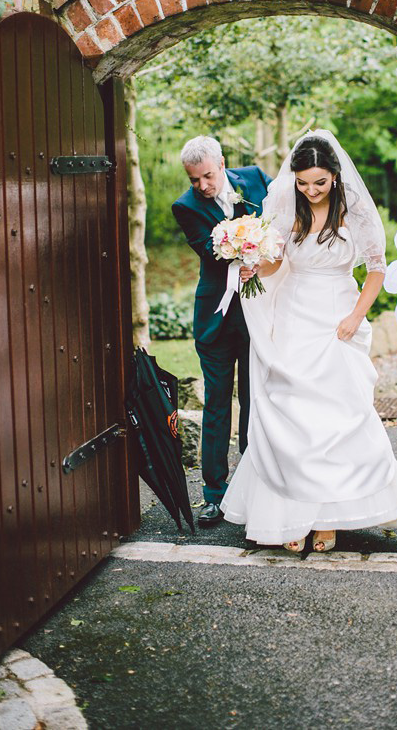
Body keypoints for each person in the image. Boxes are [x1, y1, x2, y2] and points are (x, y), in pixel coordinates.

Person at [220, 129, 397, 552]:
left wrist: (356, 316)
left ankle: (330, 517)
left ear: (334, 175)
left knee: (337, 417)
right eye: (302, 182)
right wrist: (251, 264)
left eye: (318, 182)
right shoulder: (288, 210)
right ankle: (291, 516)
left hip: (337, 315)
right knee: (291, 414)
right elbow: (278, 262)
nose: (310, 190)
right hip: (294, 317)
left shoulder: (357, 215)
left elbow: (376, 270)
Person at [171, 136, 272, 527]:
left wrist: (262, 254)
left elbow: (278, 223)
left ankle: (252, 489)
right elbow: (212, 252)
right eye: (194, 179)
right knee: (216, 405)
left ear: (222, 164)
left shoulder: (256, 179)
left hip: (257, 315)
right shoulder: (186, 206)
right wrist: (246, 251)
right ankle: (213, 495)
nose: (203, 186)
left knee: (254, 400)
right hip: (215, 318)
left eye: (208, 176)